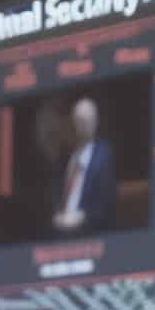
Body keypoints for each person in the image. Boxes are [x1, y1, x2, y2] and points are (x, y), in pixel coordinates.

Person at [52, 95, 116, 234]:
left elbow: (106, 203)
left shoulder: (104, 155)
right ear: (74, 122)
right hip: (59, 235)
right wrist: (58, 216)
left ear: (96, 120)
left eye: (89, 119)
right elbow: (56, 198)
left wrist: (82, 218)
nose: (85, 124)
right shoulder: (64, 158)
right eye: (80, 120)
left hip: (91, 233)